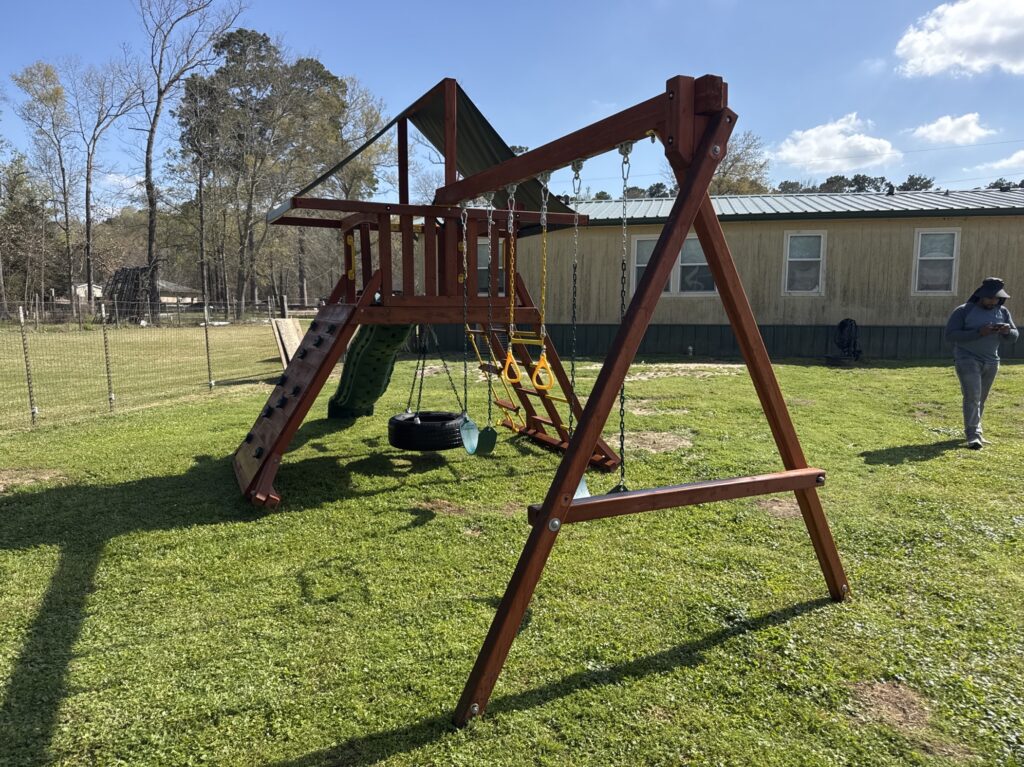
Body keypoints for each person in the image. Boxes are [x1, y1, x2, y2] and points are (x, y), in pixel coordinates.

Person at [944, 277, 1018, 449]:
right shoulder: (963, 311)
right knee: (972, 396)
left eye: (997, 298)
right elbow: (951, 335)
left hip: (992, 361)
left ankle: (976, 430)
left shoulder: (1003, 312)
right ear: (981, 296)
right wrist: (979, 332)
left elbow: (1014, 336)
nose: (994, 301)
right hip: (967, 358)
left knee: (981, 398)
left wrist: (1007, 331)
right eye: (990, 298)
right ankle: (973, 435)